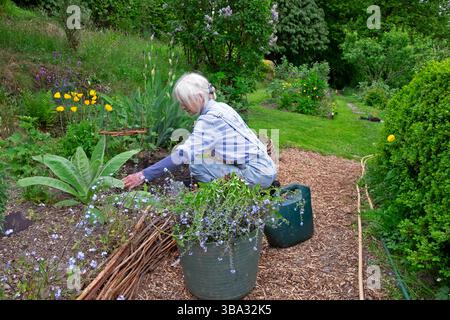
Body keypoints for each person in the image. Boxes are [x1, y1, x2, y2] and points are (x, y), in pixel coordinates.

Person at [123, 72, 277, 190]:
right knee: (204, 157)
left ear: (198, 97)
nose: (182, 107)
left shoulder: (209, 120)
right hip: (264, 167)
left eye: (184, 102)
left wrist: (143, 175)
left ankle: (227, 195)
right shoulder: (221, 107)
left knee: (197, 165)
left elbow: (182, 156)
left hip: (256, 174)